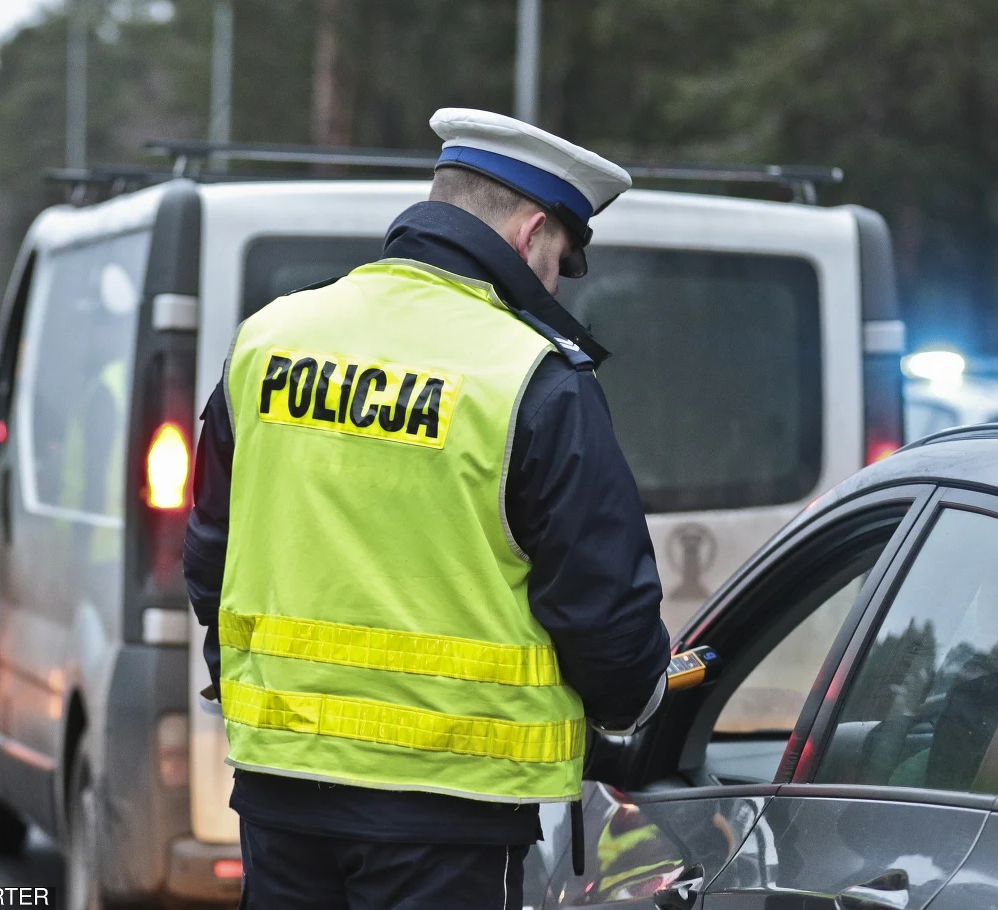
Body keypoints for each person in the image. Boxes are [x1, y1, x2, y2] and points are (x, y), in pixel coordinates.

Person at [183, 108, 671, 909]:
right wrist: (641, 699)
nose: (552, 284)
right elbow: (603, 613)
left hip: (278, 791)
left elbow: (210, 552)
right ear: (529, 233)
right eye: (558, 260)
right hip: (455, 813)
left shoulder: (269, 339)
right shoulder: (532, 378)